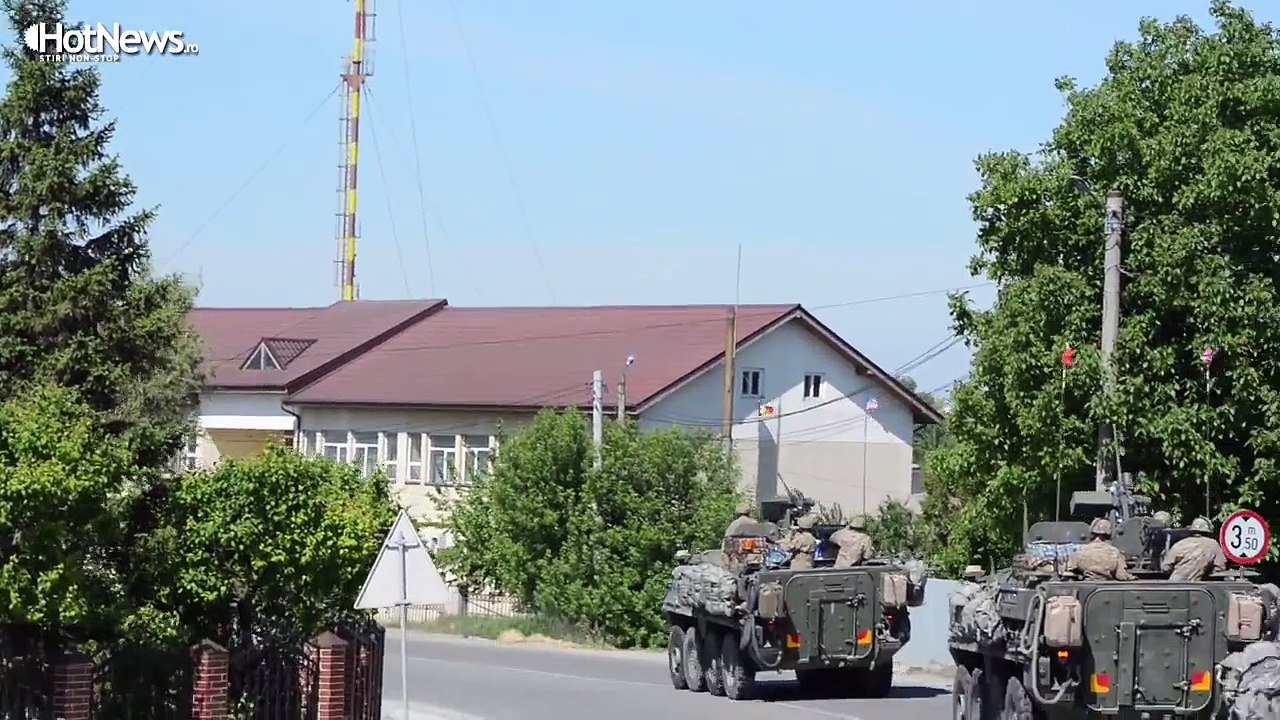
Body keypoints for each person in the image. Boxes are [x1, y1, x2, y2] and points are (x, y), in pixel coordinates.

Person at [1065, 518, 1134, 581]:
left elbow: (1070, 572)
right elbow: (1121, 575)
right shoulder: (1115, 553)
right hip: (1106, 586)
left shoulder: (1079, 551)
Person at [1161, 517, 1227, 581]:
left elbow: (1166, 567)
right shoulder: (1213, 545)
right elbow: (1220, 567)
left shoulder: (1180, 544)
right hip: (1196, 588)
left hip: (1174, 586)